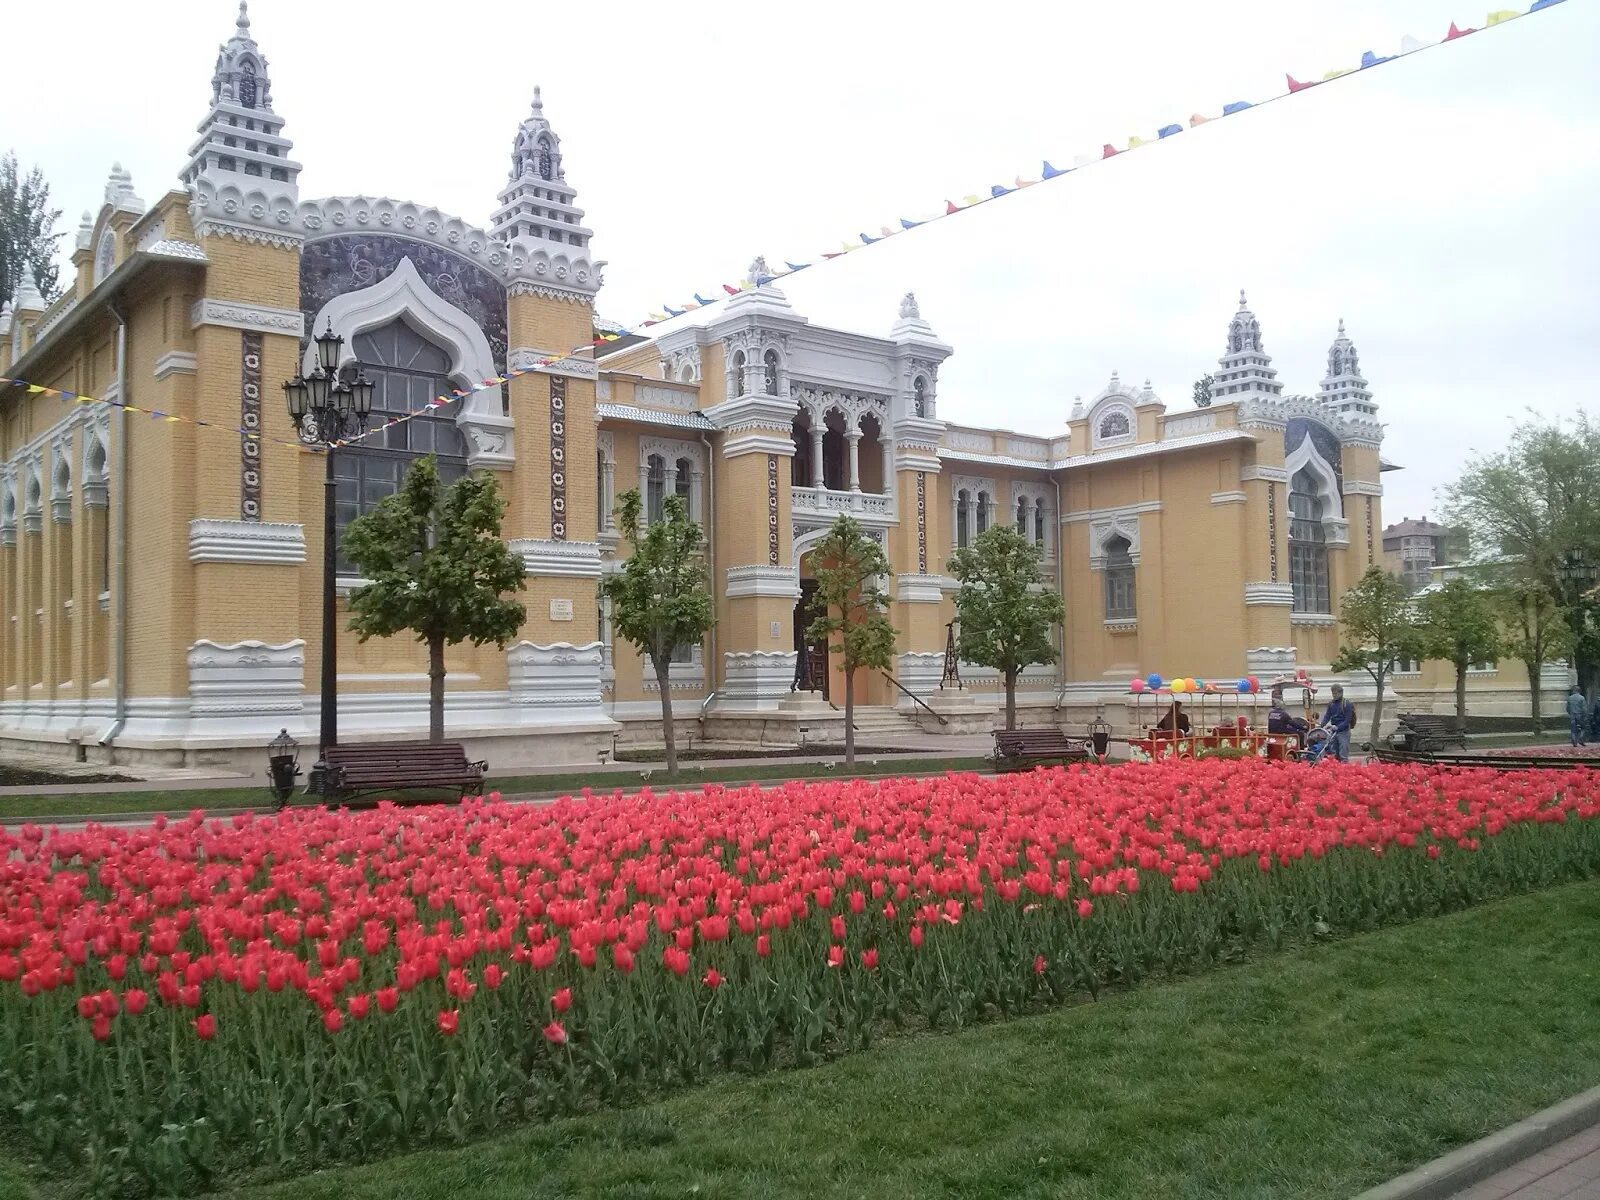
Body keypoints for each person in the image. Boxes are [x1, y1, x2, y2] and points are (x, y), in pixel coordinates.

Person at [1320, 684, 1357, 763]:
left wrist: (1338, 727)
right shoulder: (1331, 704)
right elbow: (1327, 716)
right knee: (1334, 754)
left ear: (1341, 693)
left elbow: (1347, 720)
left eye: (1335, 694)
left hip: (1343, 732)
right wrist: (1321, 726)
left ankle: (1344, 770)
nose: (1334, 695)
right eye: (1333, 693)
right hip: (1333, 732)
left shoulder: (1347, 704)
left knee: (1343, 754)